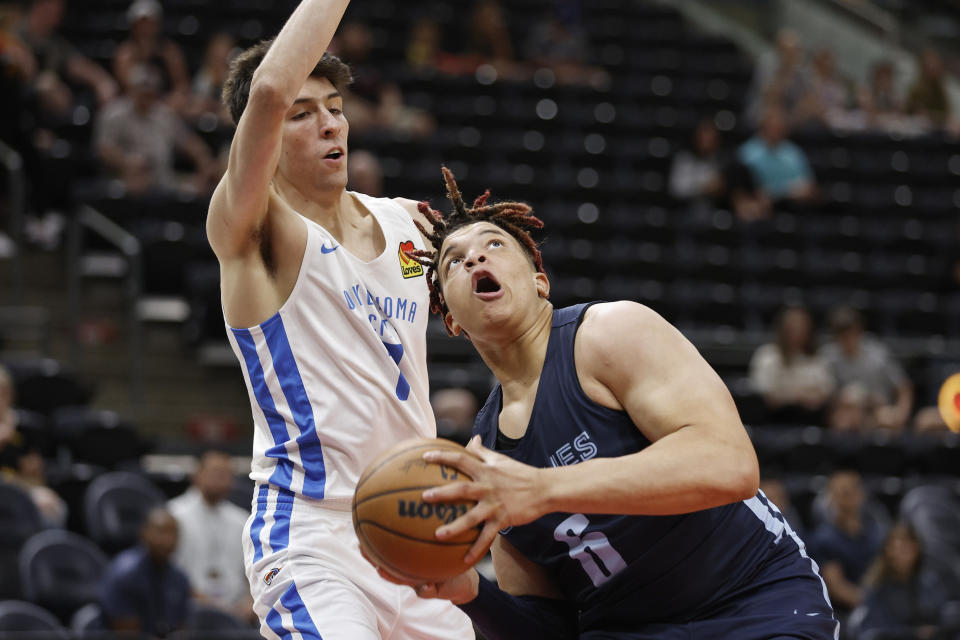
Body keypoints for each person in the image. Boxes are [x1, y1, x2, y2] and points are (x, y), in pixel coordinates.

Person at [372, 168, 838, 639]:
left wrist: (543, 488)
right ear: (450, 319)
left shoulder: (610, 333)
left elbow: (729, 465)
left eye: (494, 245)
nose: (474, 259)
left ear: (539, 281)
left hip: (751, 602)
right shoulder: (483, 464)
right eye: (453, 261)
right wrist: (470, 591)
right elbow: (548, 630)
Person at [207, 0, 473, 637]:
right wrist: (275, 101)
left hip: (412, 533)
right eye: (303, 115)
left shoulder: (411, 222)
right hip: (312, 533)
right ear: (264, 139)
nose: (330, 126)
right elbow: (268, 88)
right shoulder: (252, 230)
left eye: (335, 109)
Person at [94, 64, 219, 197]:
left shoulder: (164, 115)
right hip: (125, 182)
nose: (146, 97)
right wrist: (125, 162)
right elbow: (103, 149)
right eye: (142, 90)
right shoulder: (114, 113)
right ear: (131, 89)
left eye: (150, 92)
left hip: (164, 182)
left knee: (204, 191)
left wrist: (205, 162)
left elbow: (190, 143)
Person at [168, 450, 253, 623]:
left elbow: (252, 572)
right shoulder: (173, 515)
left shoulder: (242, 520)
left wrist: (251, 601)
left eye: (226, 474)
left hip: (237, 613)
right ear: (196, 475)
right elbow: (168, 573)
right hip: (189, 611)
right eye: (215, 473)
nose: (220, 479)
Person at [99, 508, 192, 637]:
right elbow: (128, 636)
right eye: (161, 532)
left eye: (173, 533)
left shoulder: (180, 579)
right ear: (144, 533)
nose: (167, 541)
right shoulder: (125, 574)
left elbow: (181, 631)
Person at [849, 522, 950, 640]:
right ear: (888, 552)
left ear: (917, 550)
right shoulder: (876, 588)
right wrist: (914, 634)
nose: (902, 555)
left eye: (907, 549)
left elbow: (942, 618)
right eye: (898, 549)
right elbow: (871, 633)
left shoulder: (929, 583)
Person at [819, 306, 913, 432]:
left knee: (886, 422)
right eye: (841, 335)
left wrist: (900, 415)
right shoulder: (827, 357)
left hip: (877, 410)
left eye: (850, 333)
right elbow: (824, 396)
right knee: (844, 420)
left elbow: (904, 388)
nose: (847, 339)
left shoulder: (878, 354)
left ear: (859, 331)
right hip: (843, 413)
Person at [808, 470, 886, 618]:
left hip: (878, 604)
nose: (850, 495)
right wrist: (873, 607)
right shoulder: (823, 539)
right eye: (843, 492)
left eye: (854, 488)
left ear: (862, 493)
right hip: (841, 614)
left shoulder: (877, 532)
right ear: (831, 497)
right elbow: (837, 588)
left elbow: (883, 573)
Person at [748, 305, 835, 423]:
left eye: (801, 328)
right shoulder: (767, 356)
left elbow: (823, 395)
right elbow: (766, 396)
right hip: (771, 419)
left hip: (809, 420)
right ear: (783, 329)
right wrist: (801, 395)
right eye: (792, 328)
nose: (797, 332)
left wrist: (786, 393)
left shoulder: (817, 360)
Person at [113, 0, 191, 113]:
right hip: (133, 108)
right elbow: (125, 86)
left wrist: (173, 100)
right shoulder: (125, 53)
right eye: (142, 23)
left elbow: (182, 86)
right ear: (134, 26)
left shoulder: (170, 51)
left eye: (150, 23)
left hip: (165, 107)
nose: (146, 28)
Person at [738, 107, 818, 205]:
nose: (776, 130)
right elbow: (741, 188)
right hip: (758, 205)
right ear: (763, 127)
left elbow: (809, 186)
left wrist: (781, 194)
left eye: (780, 127)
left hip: (791, 205)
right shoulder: (748, 152)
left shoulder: (793, 152)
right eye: (772, 126)